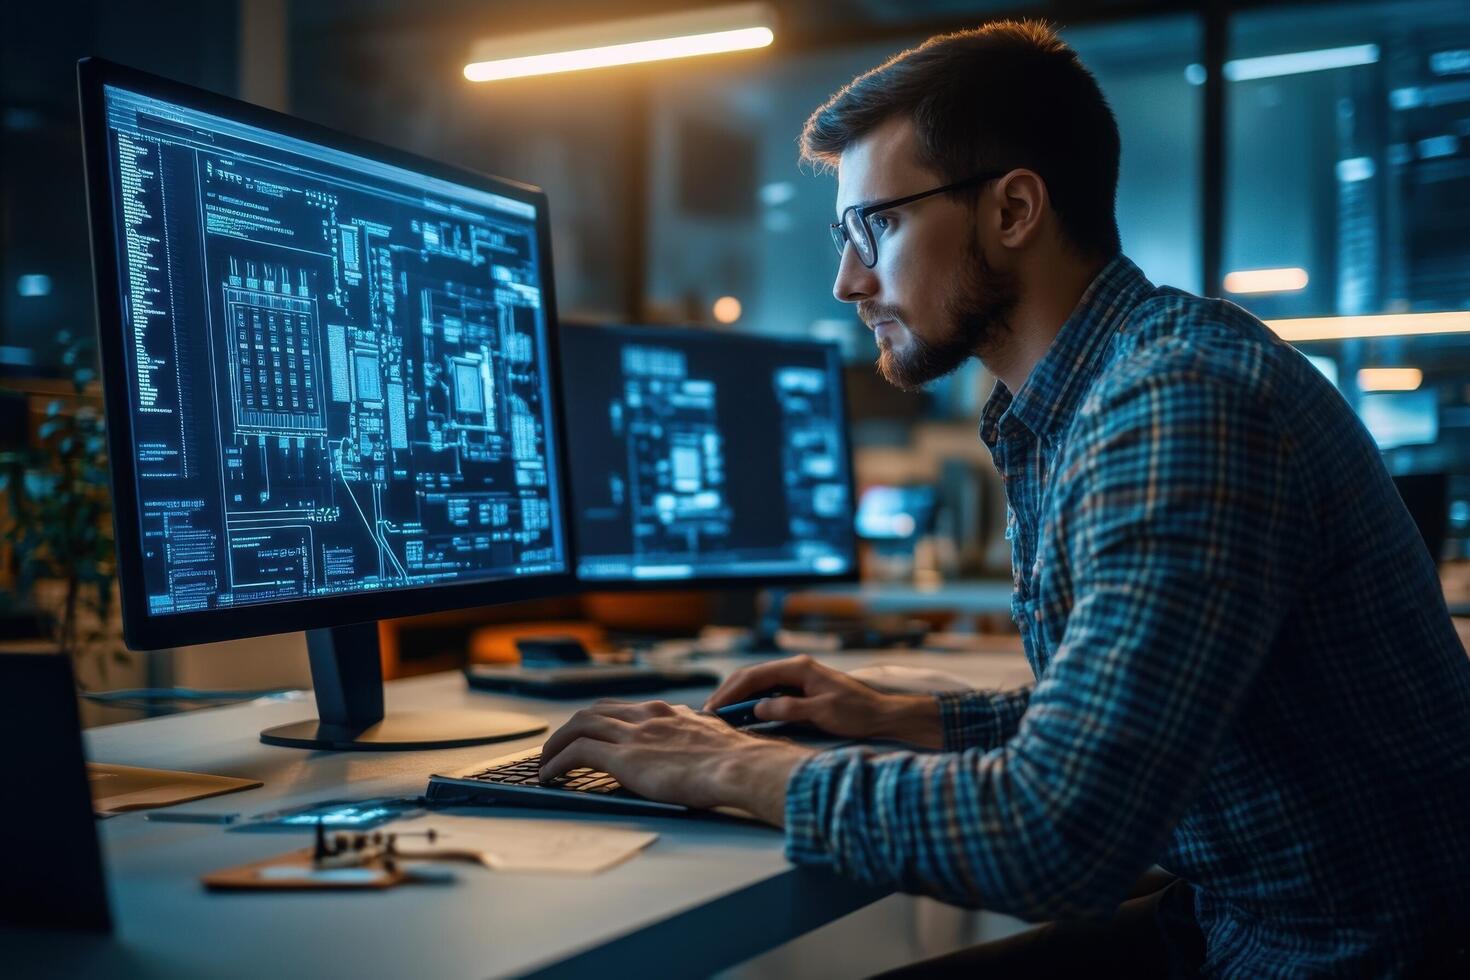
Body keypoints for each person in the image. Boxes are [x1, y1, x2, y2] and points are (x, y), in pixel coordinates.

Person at [539, 20, 1470, 976]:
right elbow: (1128, 720)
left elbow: (1058, 831)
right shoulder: (1095, 394)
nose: (848, 278)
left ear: (1014, 210)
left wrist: (727, 765)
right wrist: (903, 716)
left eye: (878, 224)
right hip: (1260, 917)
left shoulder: (1179, 403)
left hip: (1349, 950)